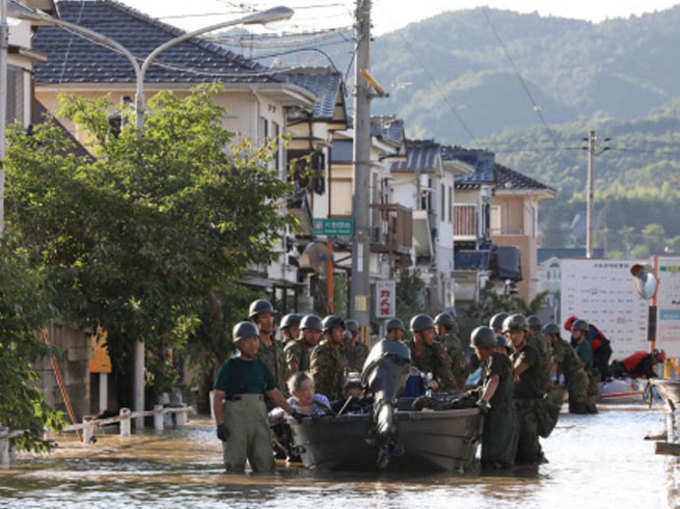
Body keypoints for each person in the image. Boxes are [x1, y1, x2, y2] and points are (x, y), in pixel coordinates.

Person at [213, 321, 303, 473]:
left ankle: (262, 493)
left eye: (255, 340)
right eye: (247, 341)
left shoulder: (260, 366)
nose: (253, 344)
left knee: (265, 464)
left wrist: (292, 411)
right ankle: (234, 493)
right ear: (238, 344)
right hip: (235, 417)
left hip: (259, 416)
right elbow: (217, 397)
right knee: (235, 465)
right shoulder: (229, 367)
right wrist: (220, 424)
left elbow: (274, 393)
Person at [471, 325, 519, 470]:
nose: (475, 352)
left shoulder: (496, 358)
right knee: (498, 465)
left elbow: (495, 380)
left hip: (501, 419)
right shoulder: (498, 360)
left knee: (494, 465)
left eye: (475, 348)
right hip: (504, 417)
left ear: (482, 347)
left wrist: (483, 401)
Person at [504, 313, 545, 464]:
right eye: (511, 333)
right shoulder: (512, 355)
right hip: (515, 406)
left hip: (529, 407)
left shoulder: (529, 352)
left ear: (524, 334)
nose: (514, 337)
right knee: (517, 449)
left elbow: (515, 372)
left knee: (529, 449)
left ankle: (532, 478)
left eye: (517, 333)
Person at [543, 323, 596, 414]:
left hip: (578, 379)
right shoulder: (556, 347)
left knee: (579, 408)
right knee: (574, 409)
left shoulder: (561, 346)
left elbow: (555, 365)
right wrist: (556, 380)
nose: (545, 339)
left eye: (547, 336)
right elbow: (559, 367)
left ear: (553, 336)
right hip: (572, 379)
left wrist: (546, 381)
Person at [249, 299, 288, 400]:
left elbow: (285, 376)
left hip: (281, 403)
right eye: (264, 317)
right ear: (254, 321)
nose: (270, 320)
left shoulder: (278, 346)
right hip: (260, 405)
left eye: (271, 316)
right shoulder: (251, 348)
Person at [409, 314, 455, 393]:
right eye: (429, 332)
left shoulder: (437, 349)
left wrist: (437, 383)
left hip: (430, 396)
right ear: (417, 334)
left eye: (433, 332)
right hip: (406, 395)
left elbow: (447, 378)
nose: (433, 336)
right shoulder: (404, 350)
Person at [310, 315, 346, 401]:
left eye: (342, 330)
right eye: (338, 330)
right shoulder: (322, 351)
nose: (341, 333)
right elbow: (318, 383)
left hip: (335, 399)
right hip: (324, 401)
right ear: (327, 333)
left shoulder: (336, 350)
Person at [566, 316, 612, 381]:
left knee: (600, 366)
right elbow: (573, 346)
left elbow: (586, 345)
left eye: (574, 330)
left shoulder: (589, 330)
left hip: (603, 350)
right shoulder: (577, 335)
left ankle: (604, 380)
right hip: (596, 350)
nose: (572, 333)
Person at [434, 312, 468, 390]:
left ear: (441, 327)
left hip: (449, 382)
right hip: (457, 381)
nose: (435, 329)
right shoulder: (455, 339)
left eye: (436, 326)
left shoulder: (446, 342)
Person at [526, 315, 552, 394]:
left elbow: (530, 356)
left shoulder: (534, 340)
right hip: (545, 373)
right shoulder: (543, 338)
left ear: (531, 328)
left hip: (537, 375)